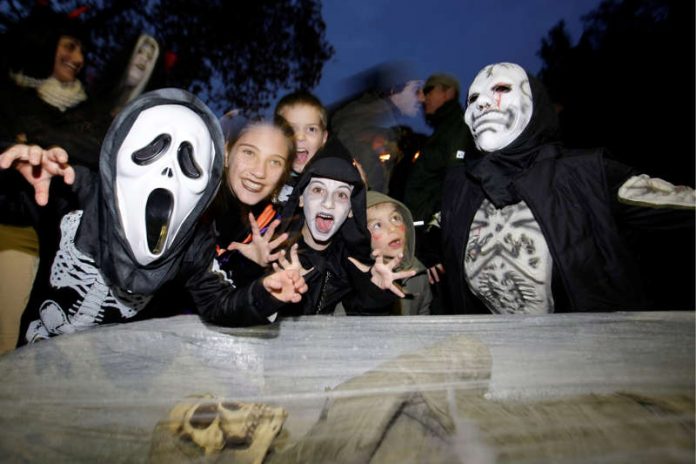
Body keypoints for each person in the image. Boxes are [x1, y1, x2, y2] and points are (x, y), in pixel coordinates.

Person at [0, 89, 307, 345]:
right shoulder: (74, 191)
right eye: (152, 148)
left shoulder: (197, 238)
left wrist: (262, 288)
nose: (168, 169)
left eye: (189, 159)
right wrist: (10, 164)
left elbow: (219, 302)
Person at [440, 62, 695, 314]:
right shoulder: (461, 188)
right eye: (472, 98)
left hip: (591, 348)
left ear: (535, 103)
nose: (482, 103)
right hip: (499, 348)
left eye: (502, 88)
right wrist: (405, 259)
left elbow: (679, 207)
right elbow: (426, 233)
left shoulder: (586, 175)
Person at [275, 142, 415, 316]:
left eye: (341, 195)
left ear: (350, 210)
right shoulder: (274, 251)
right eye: (318, 190)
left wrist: (375, 295)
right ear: (301, 199)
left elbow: (360, 329)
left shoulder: (351, 262)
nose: (328, 203)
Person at [329, 61, 421, 193]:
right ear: (394, 90)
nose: (421, 98)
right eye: (416, 90)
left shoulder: (383, 124)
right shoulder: (360, 120)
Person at [342, 191, 432, 315]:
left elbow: (424, 322)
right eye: (377, 225)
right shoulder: (349, 280)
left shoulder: (417, 273)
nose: (392, 228)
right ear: (361, 237)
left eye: (395, 218)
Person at [274, 90, 329, 204]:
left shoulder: (333, 181)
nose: (300, 137)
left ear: (324, 138)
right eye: (291, 129)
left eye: (311, 129)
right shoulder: (269, 178)